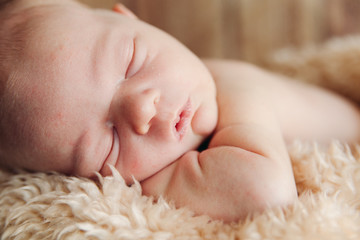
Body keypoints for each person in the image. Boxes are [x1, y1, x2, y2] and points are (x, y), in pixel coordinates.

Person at [0, 0, 359, 222]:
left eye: (131, 63)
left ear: (135, 20)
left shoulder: (232, 85)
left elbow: (267, 192)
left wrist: (157, 184)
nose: (142, 109)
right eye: (106, 141)